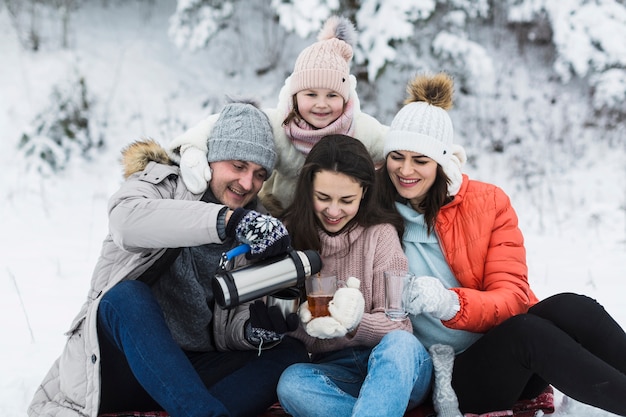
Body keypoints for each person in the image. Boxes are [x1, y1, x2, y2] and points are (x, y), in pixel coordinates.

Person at [28, 100, 310, 417]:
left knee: (289, 352)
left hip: (190, 372)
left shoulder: (257, 226)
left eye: (260, 174)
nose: (247, 183)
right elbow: (126, 223)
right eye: (238, 166)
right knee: (126, 297)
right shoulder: (164, 184)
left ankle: (197, 409)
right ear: (213, 159)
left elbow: (232, 326)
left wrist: (256, 331)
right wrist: (226, 221)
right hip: (119, 365)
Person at [376, 72, 626, 416]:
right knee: (527, 333)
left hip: (507, 354)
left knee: (572, 306)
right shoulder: (371, 208)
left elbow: (512, 297)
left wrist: (450, 304)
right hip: (446, 376)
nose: (405, 170)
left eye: (420, 160)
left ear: (442, 162)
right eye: (397, 156)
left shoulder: (486, 203)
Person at [276, 135, 433, 417]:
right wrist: (304, 320)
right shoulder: (290, 234)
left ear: (364, 192)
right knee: (292, 383)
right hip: (338, 370)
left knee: (400, 345)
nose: (333, 211)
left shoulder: (381, 235)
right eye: (322, 197)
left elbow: (399, 327)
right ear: (307, 189)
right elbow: (286, 327)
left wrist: (354, 322)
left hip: (397, 367)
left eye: (346, 200)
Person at [168, 16, 388, 215]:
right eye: (311, 94)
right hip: (279, 214)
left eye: (332, 95)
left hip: (337, 217)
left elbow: (396, 144)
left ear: (345, 97)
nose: (322, 104)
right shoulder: (278, 124)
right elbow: (225, 123)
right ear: (295, 95)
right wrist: (193, 148)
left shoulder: (360, 130)